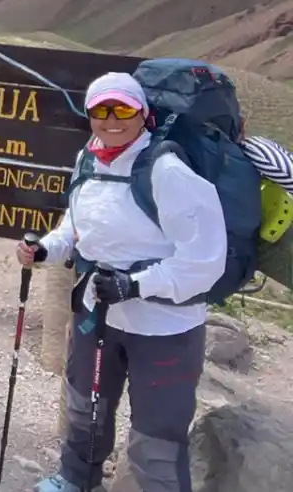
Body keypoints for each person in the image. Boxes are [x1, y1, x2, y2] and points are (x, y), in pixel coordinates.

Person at [17, 72, 227, 492]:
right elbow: (75, 228)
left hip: (165, 325)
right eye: (101, 110)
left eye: (123, 109)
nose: (112, 120)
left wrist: (135, 285)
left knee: (157, 429)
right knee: (85, 405)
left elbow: (206, 261)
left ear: (143, 114)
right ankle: (76, 479)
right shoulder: (88, 159)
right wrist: (46, 250)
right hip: (98, 311)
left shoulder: (167, 170)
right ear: (90, 115)